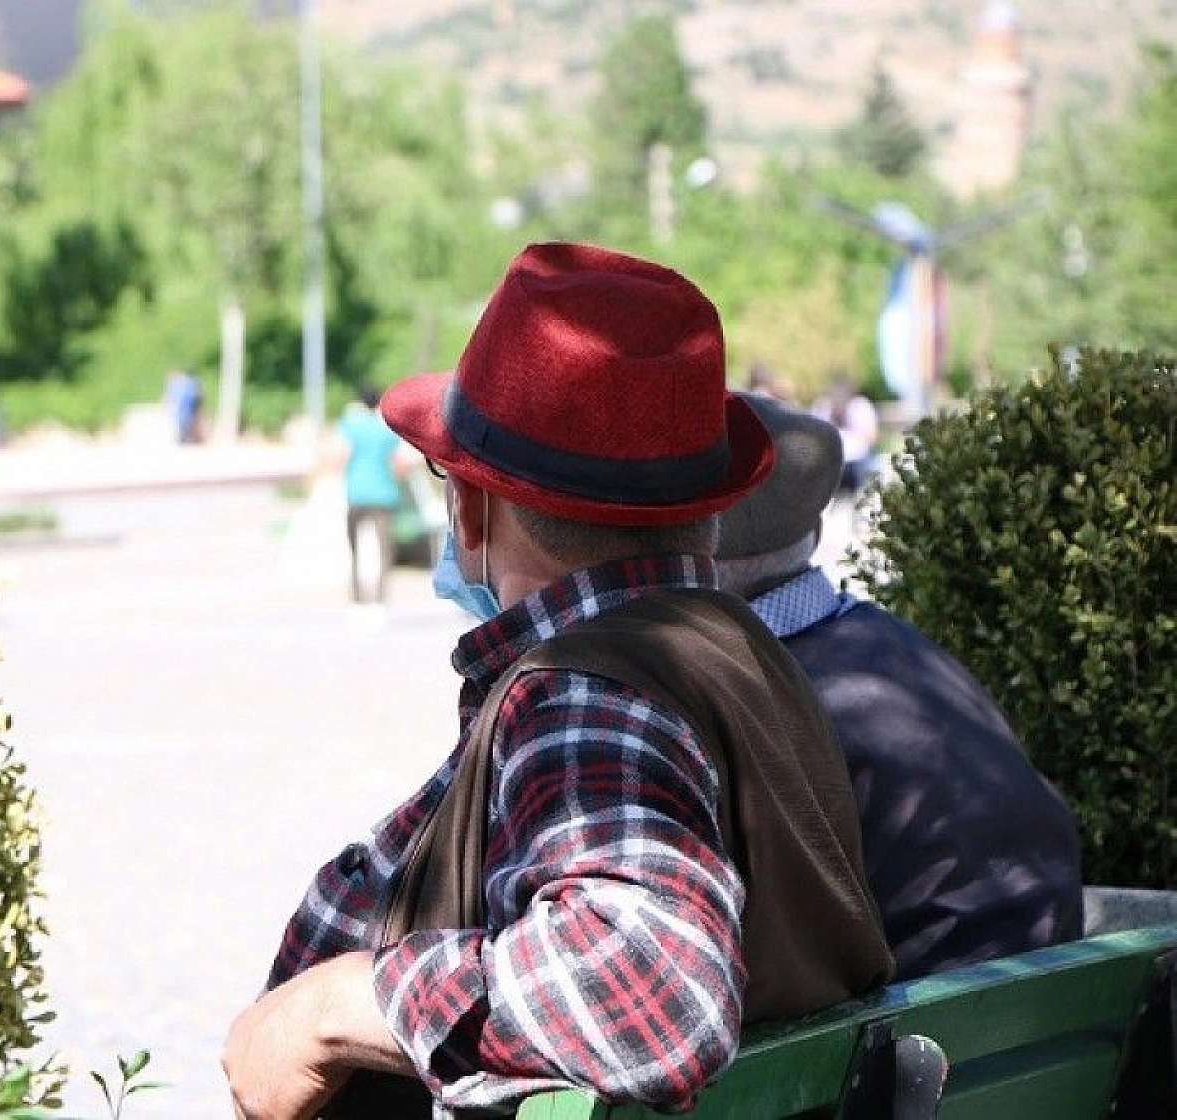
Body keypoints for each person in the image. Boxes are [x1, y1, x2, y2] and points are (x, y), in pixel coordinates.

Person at [224, 243, 892, 1120]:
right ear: (704, 512)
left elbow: (654, 999)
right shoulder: (746, 657)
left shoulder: (587, 693)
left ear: (470, 506)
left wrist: (332, 1005)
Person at [717, 392, 1085, 980]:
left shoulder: (764, 700)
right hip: (1039, 1029)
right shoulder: (894, 648)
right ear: (812, 532)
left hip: (915, 1051)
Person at [333, 385, 412, 603]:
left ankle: (357, 595)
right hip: (384, 493)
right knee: (384, 549)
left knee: (354, 547)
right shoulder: (386, 428)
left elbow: (341, 456)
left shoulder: (350, 425)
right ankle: (380, 596)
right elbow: (399, 463)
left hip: (356, 492)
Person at [811, 371, 880, 491]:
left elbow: (872, 437)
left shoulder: (860, 406)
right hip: (831, 462)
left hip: (857, 462)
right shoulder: (823, 407)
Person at [165, 367, 204, 445]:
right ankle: (187, 438)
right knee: (187, 422)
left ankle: (184, 438)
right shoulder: (191, 383)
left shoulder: (182, 384)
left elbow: (171, 396)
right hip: (190, 407)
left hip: (186, 407)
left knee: (184, 422)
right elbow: (198, 395)